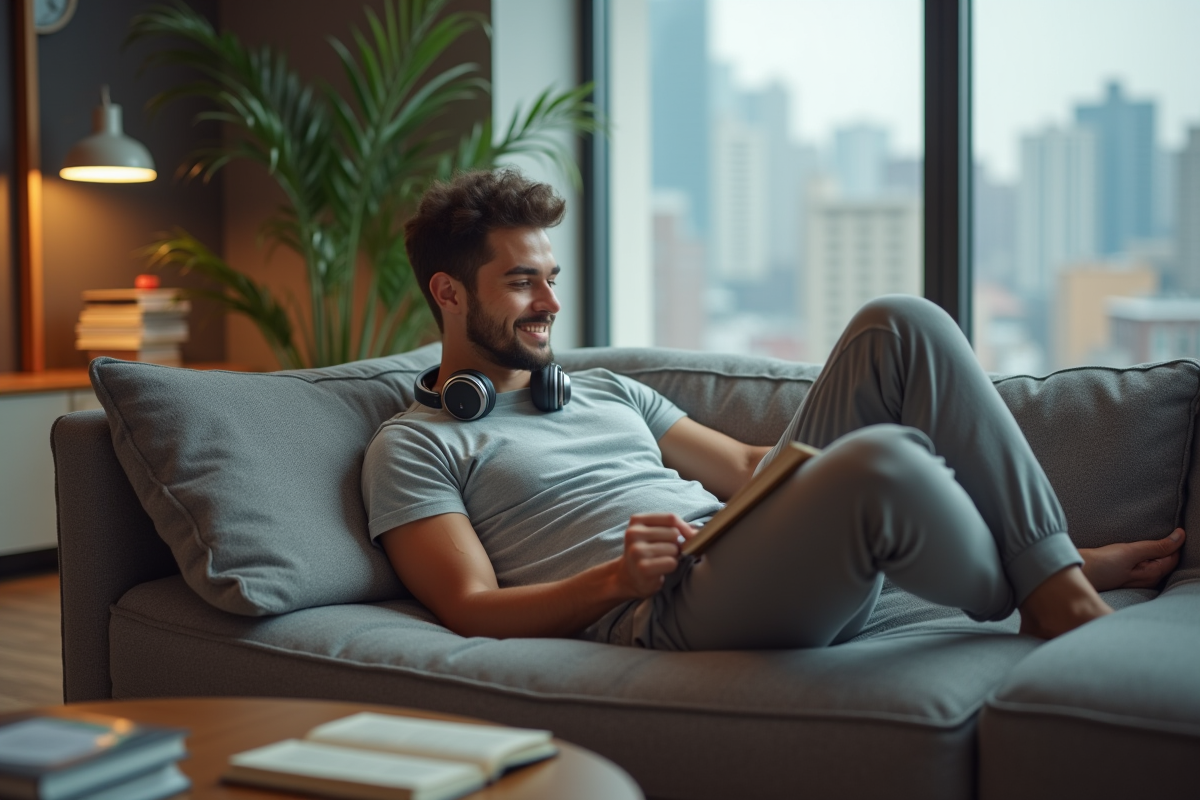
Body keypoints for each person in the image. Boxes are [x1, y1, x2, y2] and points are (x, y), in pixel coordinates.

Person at [361, 169, 1185, 650]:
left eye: (552, 278)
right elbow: (468, 608)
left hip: (738, 547)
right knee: (882, 466)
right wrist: (613, 577)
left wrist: (798, 493)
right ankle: (1053, 590)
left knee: (903, 321)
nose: (550, 301)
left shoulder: (605, 390)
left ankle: (1052, 571)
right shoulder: (415, 446)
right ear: (449, 293)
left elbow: (755, 469)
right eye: (520, 282)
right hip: (665, 608)